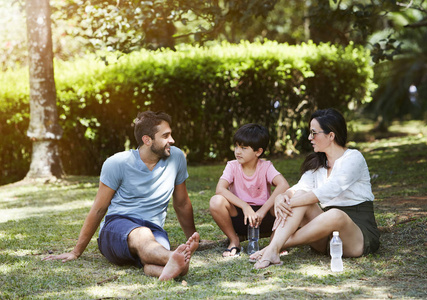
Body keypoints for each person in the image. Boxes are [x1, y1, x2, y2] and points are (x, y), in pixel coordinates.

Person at [43, 111, 200, 281]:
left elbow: (182, 203)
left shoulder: (176, 157)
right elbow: (99, 209)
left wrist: (192, 238)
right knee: (143, 234)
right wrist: (76, 251)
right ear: (147, 140)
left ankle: (172, 267)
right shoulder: (117, 163)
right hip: (117, 225)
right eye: (166, 136)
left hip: (155, 231)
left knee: (153, 255)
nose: (172, 140)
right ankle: (173, 258)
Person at [250, 108, 380, 269]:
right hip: (323, 236)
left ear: (331, 135)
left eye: (314, 133)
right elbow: (299, 188)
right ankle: (274, 248)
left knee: (334, 214)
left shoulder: (353, 158)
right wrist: (281, 197)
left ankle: (274, 247)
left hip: (356, 237)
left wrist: (289, 202)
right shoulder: (318, 164)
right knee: (301, 196)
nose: (309, 138)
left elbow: (328, 191)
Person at [209, 123, 290, 257]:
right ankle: (234, 240)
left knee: (285, 200)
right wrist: (245, 206)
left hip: (264, 218)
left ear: (258, 151)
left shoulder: (266, 166)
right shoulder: (232, 166)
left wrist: (263, 210)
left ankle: (275, 242)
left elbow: (283, 185)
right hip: (241, 217)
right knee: (216, 201)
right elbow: (220, 189)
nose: (237, 151)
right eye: (236, 146)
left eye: (244, 148)